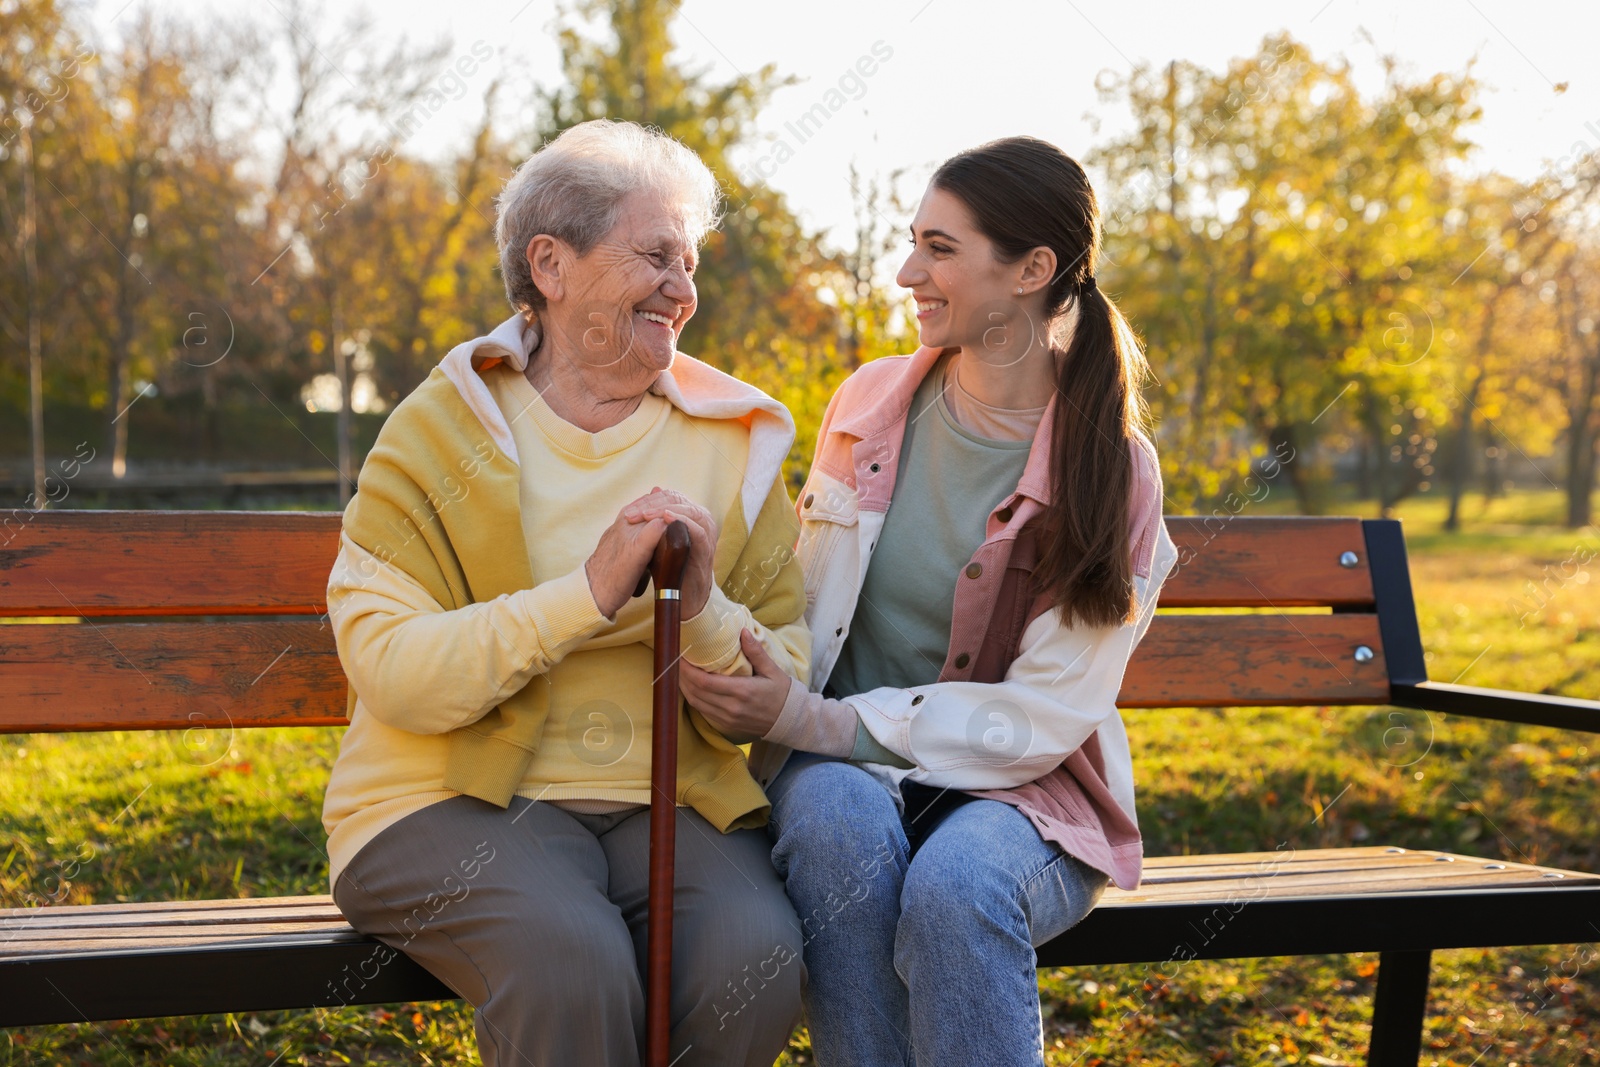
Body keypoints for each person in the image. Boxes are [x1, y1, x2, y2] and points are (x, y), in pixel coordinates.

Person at [677, 136, 1179, 1066]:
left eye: (941, 249)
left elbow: (1044, 714)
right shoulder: (868, 402)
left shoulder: (1114, 466)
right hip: (837, 770)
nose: (909, 271)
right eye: (914, 243)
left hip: (1024, 789)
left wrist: (811, 719)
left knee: (960, 887)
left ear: (1032, 269)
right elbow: (795, 591)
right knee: (837, 833)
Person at [320, 119, 810, 1067]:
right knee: (569, 961)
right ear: (550, 263)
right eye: (656, 255)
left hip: (664, 799)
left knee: (757, 954)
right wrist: (584, 597)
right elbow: (394, 671)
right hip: (443, 797)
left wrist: (705, 612)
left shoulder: (736, 447)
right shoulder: (435, 434)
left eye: (691, 261)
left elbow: (785, 660)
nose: (684, 287)